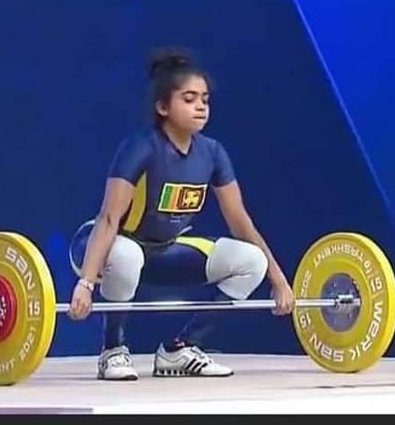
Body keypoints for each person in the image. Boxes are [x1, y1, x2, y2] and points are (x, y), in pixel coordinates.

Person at [67, 48, 295, 380]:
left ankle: (181, 348)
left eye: (204, 99)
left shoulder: (213, 153)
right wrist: (86, 284)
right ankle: (112, 349)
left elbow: (240, 221)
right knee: (128, 255)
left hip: (163, 251)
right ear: (163, 107)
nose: (201, 106)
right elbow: (108, 219)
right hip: (102, 246)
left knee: (252, 261)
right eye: (189, 99)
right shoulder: (141, 147)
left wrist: (279, 281)